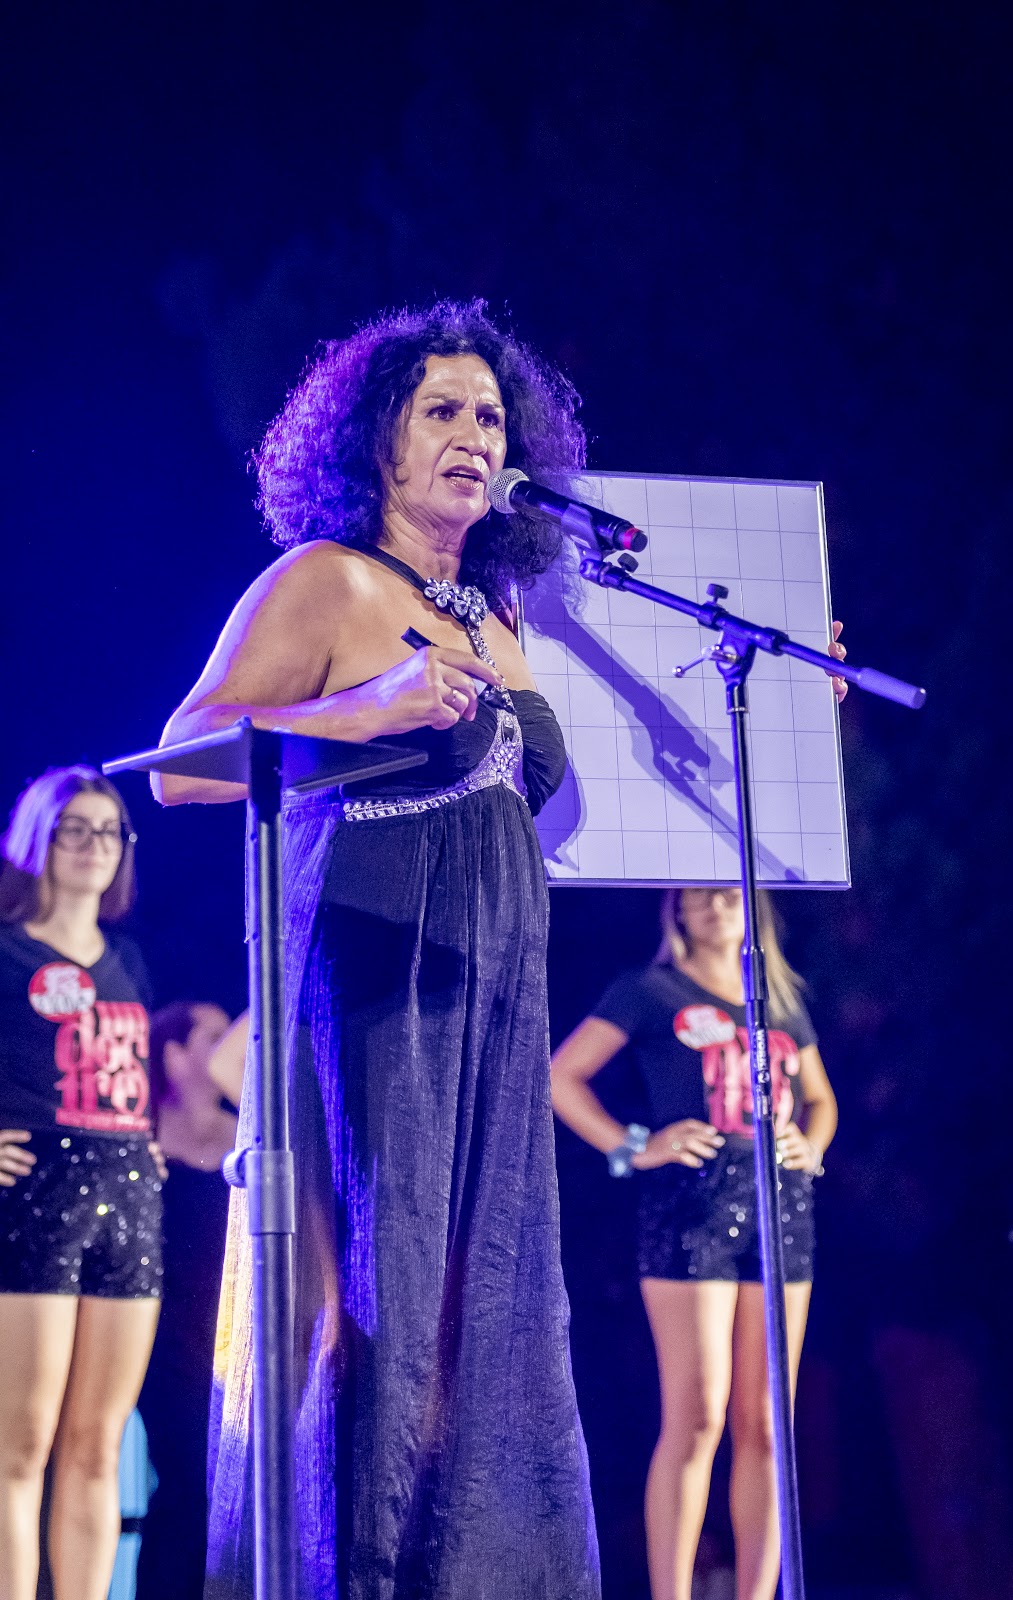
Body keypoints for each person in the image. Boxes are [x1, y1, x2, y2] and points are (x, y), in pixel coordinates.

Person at [154, 300, 600, 1598]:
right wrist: (365, 705)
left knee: (479, 1312)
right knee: (376, 1299)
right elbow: (179, 763)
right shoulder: (329, 580)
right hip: (371, 980)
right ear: (376, 442)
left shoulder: (498, 615)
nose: (475, 436)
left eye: (491, 417)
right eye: (440, 411)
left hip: (490, 1006)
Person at [550, 886, 838, 1600]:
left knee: (766, 1422)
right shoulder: (649, 990)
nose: (714, 905)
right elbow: (561, 1075)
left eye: (727, 893)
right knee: (699, 1413)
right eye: (697, 895)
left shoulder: (778, 998)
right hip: (690, 1208)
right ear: (675, 909)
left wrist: (812, 1144)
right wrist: (631, 1146)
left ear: (752, 906)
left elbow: (820, 1098)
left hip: (780, 1209)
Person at [0, 766, 162, 1600]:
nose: (95, 846)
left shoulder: (129, 959)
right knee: (20, 1446)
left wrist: (145, 1144)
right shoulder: (5, 950)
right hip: (34, 1198)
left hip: (128, 1199)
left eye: (110, 832)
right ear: (38, 839)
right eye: (76, 829)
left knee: (99, 1445)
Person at [137, 1000, 241, 1600]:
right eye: (213, 1035)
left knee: (226, 1483)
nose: (230, 1045)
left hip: (230, 1340)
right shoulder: (142, 1136)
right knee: (183, 1478)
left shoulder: (245, 1138)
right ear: (174, 1056)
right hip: (162, 1337)